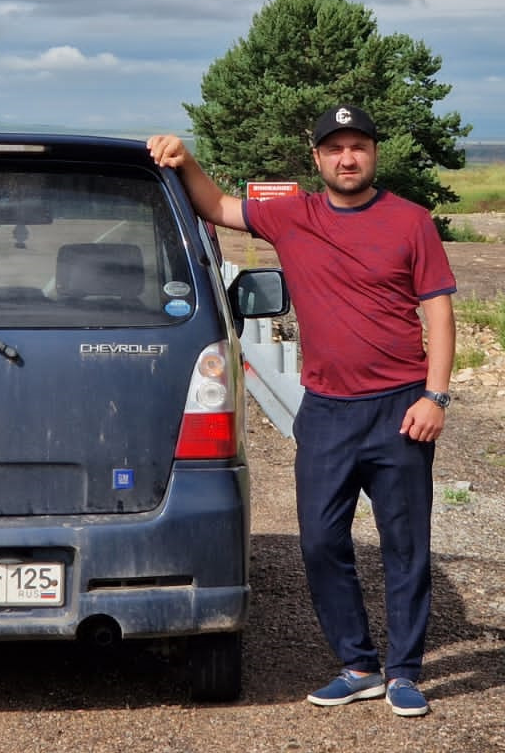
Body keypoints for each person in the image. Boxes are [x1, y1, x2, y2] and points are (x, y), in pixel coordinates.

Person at [148, 105, 456, 718]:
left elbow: (439, 313)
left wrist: (435, 396)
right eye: (335, 148)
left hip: (400, 408)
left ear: (373, 153)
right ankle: (358, 664)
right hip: (327, 412)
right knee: (319, 542)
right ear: (317, 159)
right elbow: (218, 208)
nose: (348, 158)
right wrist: (185, 160)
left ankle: (404, 672)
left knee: (405, 546)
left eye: (358, 147)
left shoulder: (410, 221)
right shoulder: (294, 216)